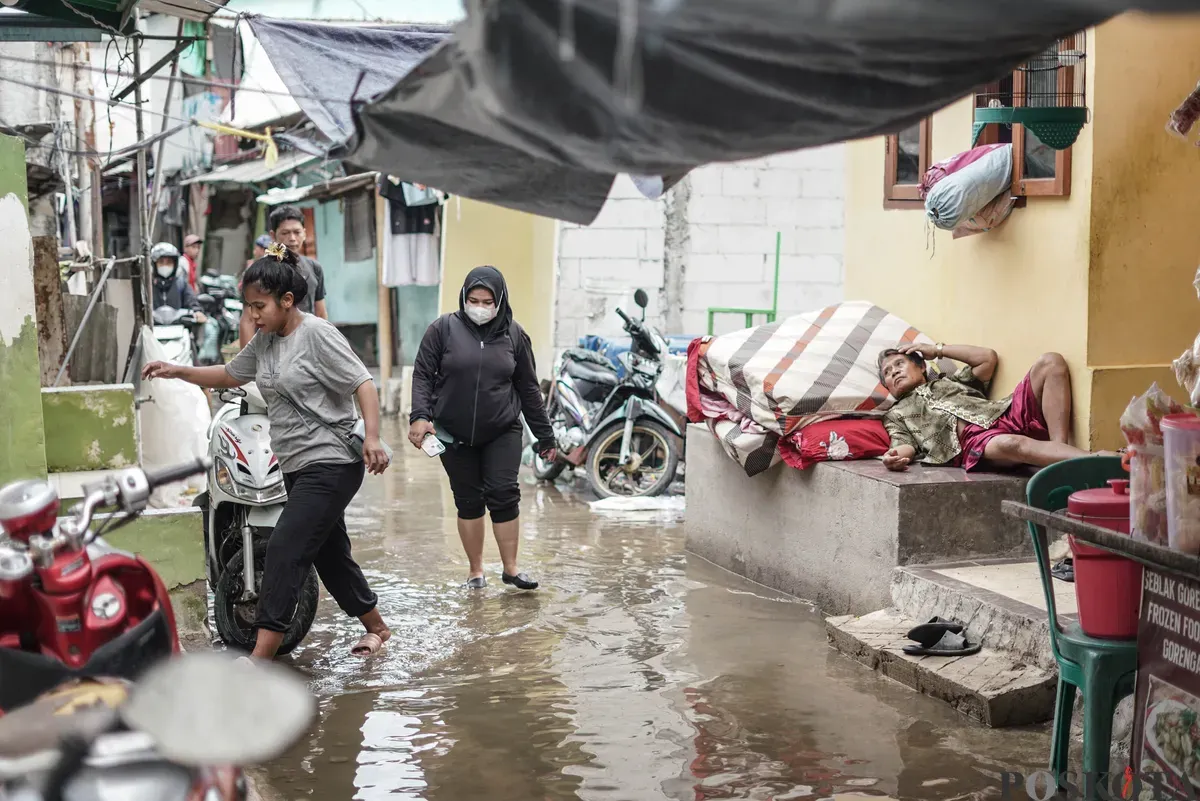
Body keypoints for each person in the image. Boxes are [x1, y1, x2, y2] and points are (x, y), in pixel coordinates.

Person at [142, 243, 392, 661]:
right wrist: (176, 370)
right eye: (249, 306)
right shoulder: (265, 342)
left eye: (259, 306)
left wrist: (373, 438)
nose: (253, 315)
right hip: (294, 464)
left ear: (287, 300)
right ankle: (379, 629)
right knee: (330, 556)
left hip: (331, 461)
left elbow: (362, 383)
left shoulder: (317, 334)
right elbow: (229, 373)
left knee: (285, 547)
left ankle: (261, 655)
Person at [409, 266, 558, 590]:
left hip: (502, 429)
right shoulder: (443, 329)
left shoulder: (514, 335)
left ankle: (511, 568)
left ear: (500, 301)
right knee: (468, 499)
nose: (479, 307)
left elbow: (529, 388)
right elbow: (422, 374)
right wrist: (419, 415)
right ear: (463, 297)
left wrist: (545, 435)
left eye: (487, 301)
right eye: (473, 299)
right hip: (452, 431)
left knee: (504, 493)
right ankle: (476, 571)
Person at [878, 343, 1099, 472]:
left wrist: (937, 350)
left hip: (1004, 412)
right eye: (887, 372)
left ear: (921, 367)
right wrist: (894, 457)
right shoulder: (896, 413)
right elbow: (904, 445)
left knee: (1051, 361)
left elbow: (987, 359)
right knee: (1010, 443)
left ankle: (1058, 453)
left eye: (900, 364)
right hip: (973, 441)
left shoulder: (950, 381)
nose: (894, 372)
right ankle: (1099, 459)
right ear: (887, 386)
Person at [239, 206, 327, 347]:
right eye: (285, 233)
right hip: (270, 347)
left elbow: (321, 313)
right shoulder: (259, 271)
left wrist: (322, 347)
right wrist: (247, 364)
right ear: (273, 236)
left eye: (297, 232)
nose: (292, 238)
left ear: (304, 234)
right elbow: (248, 319)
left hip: (305, 346)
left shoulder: (314, 268)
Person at [150, 242, 206, 324]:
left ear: (175, 264)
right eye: (161, 262)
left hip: (179, 329)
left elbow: (191, 300)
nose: (165, 265)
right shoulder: (148, 286)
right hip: (153, 331)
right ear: (154, 264)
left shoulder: (181, 284)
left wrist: (197, 312)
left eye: (169, 262)